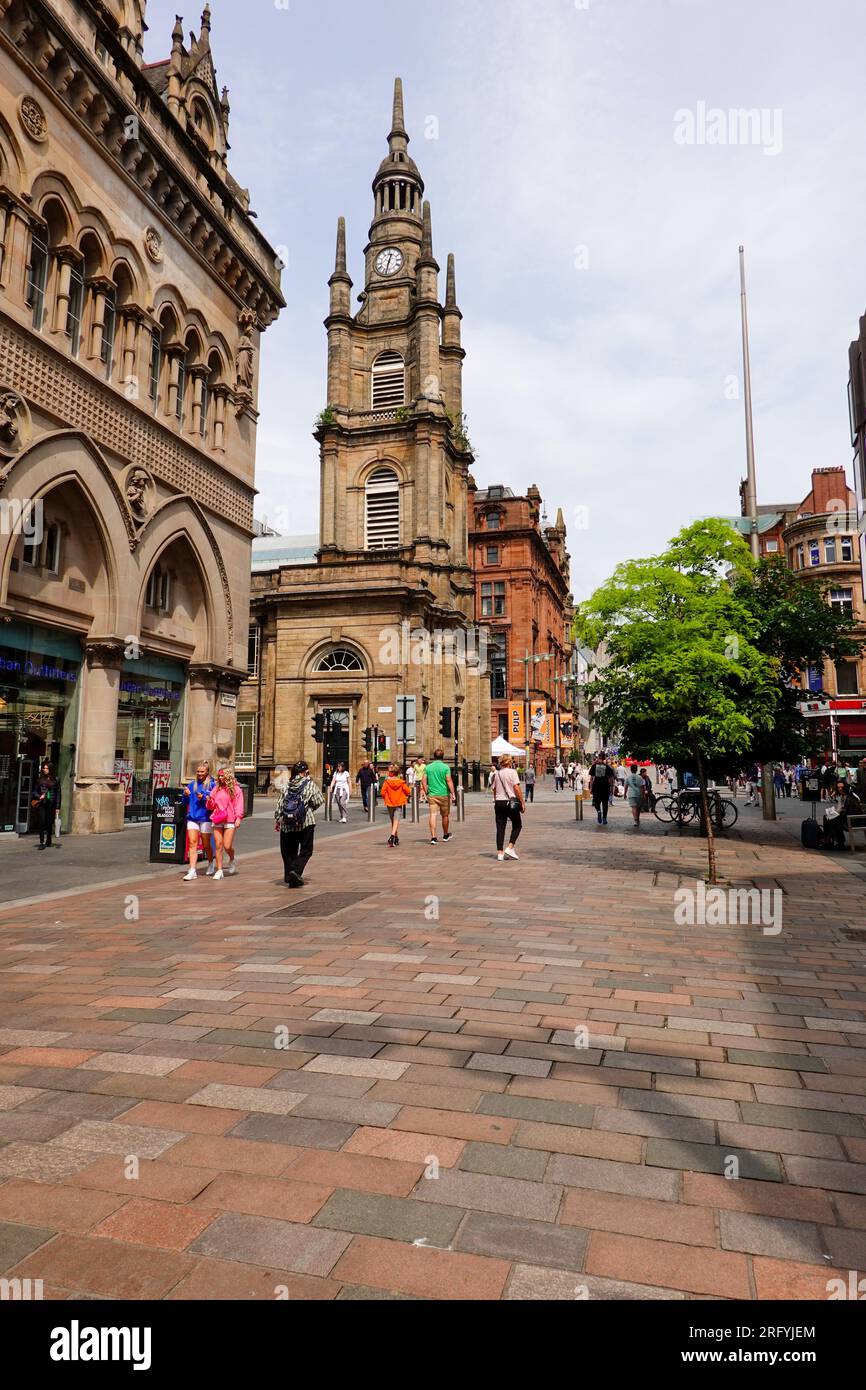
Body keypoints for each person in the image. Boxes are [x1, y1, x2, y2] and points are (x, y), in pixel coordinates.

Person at [275, 760, 325, 886]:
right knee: (306, 850)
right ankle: (295, 871)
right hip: (305, 822)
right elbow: (319, 800)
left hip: (287, 823)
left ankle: (290, 876)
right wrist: (309, 809)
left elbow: (280, 804)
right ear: (305, 772)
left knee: (288, 851)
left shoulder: (287, 785)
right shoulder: (309, 784)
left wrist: (278, 820)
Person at [206, 766, 245, 880]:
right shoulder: (216, 789)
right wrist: (209, 801)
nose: (220, 778)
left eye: (222, 775)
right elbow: (212, 805)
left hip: (230, 819)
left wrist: (238, 818)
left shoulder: (236, 789)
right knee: (218, 845)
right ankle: (219, 870)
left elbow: (239, 805)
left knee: (227, 846)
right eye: (219, 776)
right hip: (218, 818)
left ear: (228, 776)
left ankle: (232, 858)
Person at [182, 761, 216, 881]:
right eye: (198, 771)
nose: (199, 773)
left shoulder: (212, 785)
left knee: (206, 844)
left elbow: (213, 803)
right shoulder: (192, 785)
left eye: (202, 771)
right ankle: (192, 870)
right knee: (192, 843)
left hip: (205, 817)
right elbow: (185, 802)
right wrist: (185, 795)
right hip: (192, 817)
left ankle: (211, 862)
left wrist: (204, 799)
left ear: (207, 772)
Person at [491, 754, 525, 861]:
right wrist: (522, 802)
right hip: (510, 802)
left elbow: (494, 789)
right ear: (509, 762)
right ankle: (510, 847)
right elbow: (516, 788)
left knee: (500, 827)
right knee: (517, 825)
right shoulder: (512, 772)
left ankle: (500, 853)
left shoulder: (496, 774)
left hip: (499, 802)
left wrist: (496, 799)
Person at [422, 748, 455, 844]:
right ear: (442, 757)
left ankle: (433, 837)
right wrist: (453, 793)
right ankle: (445, 835)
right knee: (445, 815)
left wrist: (426, 791)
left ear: (434, 756)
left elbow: (423, 780)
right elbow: (448, 780)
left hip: (432, 794)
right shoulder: (445, 767)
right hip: (444, 794)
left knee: (433, 815)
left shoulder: (428, 767)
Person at [823, 780, 863, 850]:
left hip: (853, 820)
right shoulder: (842, 796)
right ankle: (829, 839)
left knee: (833, 820)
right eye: (838, 788)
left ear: (845, 787)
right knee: (827, 817)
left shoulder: (851, 797)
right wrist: (835, 812)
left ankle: (835, 841)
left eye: (841, 787)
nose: (840, 789)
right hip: (845, 818)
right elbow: (840, 809)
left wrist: (838, 813)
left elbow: (852, 811)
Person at [31, 761, 61, 851]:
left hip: (51, 804)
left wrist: (58, 807)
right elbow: (34, 791)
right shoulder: (40, 779)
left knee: (49, 823)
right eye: (44, 768)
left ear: (50, 769)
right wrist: (39, 796)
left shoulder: (56, 779)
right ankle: (42, 842)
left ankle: (49, 840)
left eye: (46, 768)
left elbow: (58, 794)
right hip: (42, 803)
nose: (44, 769)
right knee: (42, 821)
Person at [381, 764, 411, 847]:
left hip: (389, 803)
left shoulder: (387, 782)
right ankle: (393, 836)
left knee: (393, 821)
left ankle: (395, 837)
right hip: (398, 803)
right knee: (396, 820)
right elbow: (408, 791)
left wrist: (387, 797)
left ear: (391, 773)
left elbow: (382, 792)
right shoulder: (401, 782)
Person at [588, 755, 616, 825]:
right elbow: (611, 779)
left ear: (598, 759)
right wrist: (611, 788)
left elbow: (591, 778)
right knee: (605, 803)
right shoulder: (607, 767)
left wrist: (591, 788)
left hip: (596, 786)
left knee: (596, 802)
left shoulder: (594, 766)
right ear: (604, 759)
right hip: (605, 787)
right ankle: (604, 819)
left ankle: (598, 811)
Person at [625, 763, 645, 829]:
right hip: (638, 794)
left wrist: (625, 794)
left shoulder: (628, 777)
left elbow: (626, 786)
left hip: (631, 794)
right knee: (638, 808)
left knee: (633, 807)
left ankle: (636, 821)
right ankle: (638, 819)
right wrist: (643, 795)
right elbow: (642, 787)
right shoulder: (640, 777)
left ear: (630, 770)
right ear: (636, 770)